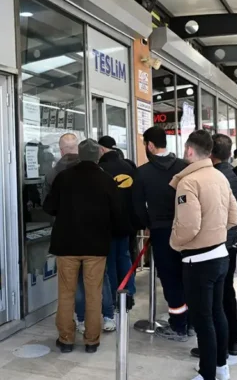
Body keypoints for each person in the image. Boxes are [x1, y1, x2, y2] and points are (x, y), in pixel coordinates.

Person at [44, 139, 125, 353]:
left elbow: (49, 207)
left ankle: (66, 339)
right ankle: (91, 341)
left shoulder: (63, 177)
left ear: (79, 155)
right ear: (98, 155)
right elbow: (117, 214)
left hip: (66, 245)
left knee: (66, 294)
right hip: (96, 246)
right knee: (93, 293)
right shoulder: (106, 180)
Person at [171, 130, 237, 380]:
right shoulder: (220, 176)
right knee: (217, 313)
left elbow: (188, 227)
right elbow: (234, 217)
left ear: (189, 151)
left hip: (197, 260)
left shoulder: (188, 182)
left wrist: (174, 243)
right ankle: (221, 368)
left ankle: (207, 373)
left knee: (203, 320)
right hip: (221, 255)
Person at [133, 126, 191, 341]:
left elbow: (138, 207)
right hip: (188, 230)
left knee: (170, 278)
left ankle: (178, 325)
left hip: (161, 231)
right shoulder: (184, 167)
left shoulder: (143, 172)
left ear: (149, 145)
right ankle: (192, 321)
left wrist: (149, 224)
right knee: (188, 276)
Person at [189, 134, 237, 361]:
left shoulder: (217, 177)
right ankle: (227, 344)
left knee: (215, 304)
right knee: (222, 299)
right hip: (226, 243)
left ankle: (221, 347)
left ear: (210, 153)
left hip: (217, 246)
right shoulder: (231, 174)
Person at [97, 136, 137, 310]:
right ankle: (129, 294)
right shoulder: (129, 166)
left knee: (111, 262)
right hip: (128, 223)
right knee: (125, 257)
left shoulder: (101, 169)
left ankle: (114, 297)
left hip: (108, 224)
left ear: (102, 149)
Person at [41, 133, 79, 204]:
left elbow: (46, 204)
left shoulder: (52, 175)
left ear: (61, 151)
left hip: (62, 214)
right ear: (78, 148)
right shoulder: (93, 170)